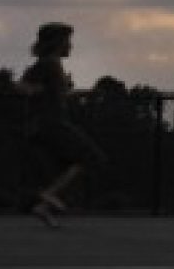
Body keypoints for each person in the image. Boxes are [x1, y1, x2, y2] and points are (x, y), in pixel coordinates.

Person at [16, 22, 106, 228]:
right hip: (51, 124)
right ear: (57, 43)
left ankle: (44, 206)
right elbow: (22, 85)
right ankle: (48, 195)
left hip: (49, 123)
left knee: (65, 166)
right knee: (90, 157)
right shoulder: (48, 63)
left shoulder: (54, 64)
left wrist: (80, 94)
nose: (70, 46)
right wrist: (31, 91)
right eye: (68, 42)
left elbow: (57, 94)